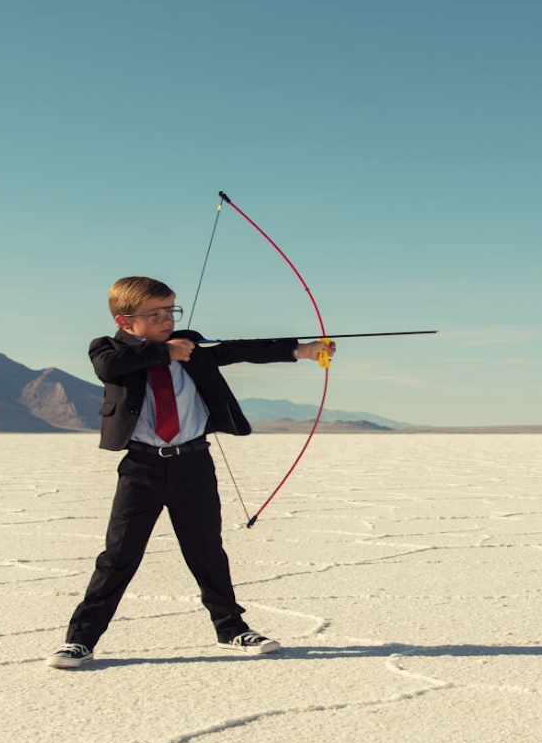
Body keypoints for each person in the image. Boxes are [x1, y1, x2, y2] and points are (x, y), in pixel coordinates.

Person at [48, 275, 336, 669]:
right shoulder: (110, 349)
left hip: (193, 464)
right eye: (155, 314)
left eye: (170, 310)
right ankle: (79, 641)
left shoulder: (190, 346)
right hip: (141, 468)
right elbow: (111, 366)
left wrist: (302, 350)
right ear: (124, 320)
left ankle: (231, 629)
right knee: (118, 556)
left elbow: (239, 350)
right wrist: (164, 352)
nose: (167, 319)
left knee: (206, 552)